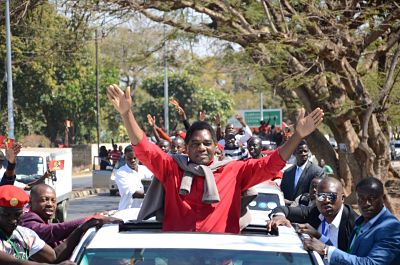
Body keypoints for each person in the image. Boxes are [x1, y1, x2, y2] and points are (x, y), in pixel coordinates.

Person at [106, 84, 324, 233]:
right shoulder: (172, 167)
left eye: (207, 143)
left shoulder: (234, 170)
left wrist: (298, 136)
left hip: (222, 256)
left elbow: (271, 164)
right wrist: (127, 114)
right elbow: (144, 148)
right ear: (187, 149)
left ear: (215, 147)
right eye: (195, 144)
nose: (201, 148)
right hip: (176, 257)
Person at [303, 177, 400, 264]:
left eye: (372, 198)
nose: (366, 203)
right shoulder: (361, 221)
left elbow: (371, 263)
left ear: (383, 198)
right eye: (361, 199)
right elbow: (349, 256)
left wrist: (326, 250)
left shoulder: (391, 228)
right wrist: (319, 236)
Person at [268, 177, 358, 251]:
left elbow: (354, 259)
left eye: (332, 196)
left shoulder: (355, 224)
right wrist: (279, 216)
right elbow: (283, 209)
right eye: (321, 196)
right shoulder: (314, 212)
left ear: (342, 198)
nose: (326, 201)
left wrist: (320, 239)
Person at [0, 185, 81, 265]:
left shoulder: (25, 235)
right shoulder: (29, 224)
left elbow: (54, 257)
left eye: (17, 215)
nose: (12, 220)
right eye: (5, 214)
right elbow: (13, 262)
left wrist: (81, 229)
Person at [20, 184, 121, 247]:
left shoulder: (43, 219)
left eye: (53, 200)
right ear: (31, 202)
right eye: (44, 200)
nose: (50, 204)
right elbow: (52, 231)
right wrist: (91, 220)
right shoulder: (28, 220)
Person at [280, 140, 325, 205]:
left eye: (305, 151)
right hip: (288, 211)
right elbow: (282, 193)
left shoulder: (317, 172)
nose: (303, 154)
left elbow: (319, 194)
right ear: (294, 153)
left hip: (307, 211)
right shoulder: (288, 172)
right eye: (300, 152)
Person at [114, 146, 153, 210]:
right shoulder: (121, 173)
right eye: (129, 158)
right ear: (125, 158)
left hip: (144, 211)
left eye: (135, 158)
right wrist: (153, 195)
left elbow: (155, 180)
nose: (132, 160)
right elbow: (133, 193)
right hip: (127, 211)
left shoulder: (145, 169)